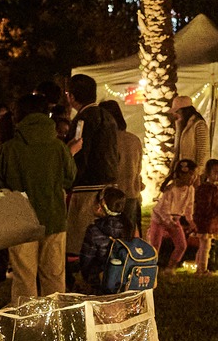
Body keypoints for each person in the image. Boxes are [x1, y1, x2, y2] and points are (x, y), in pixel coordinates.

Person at [0, 82, 77, 304]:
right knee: (54, 276)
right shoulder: (58, 146)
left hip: (20, 218)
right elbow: (70, 178)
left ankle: (28, 325)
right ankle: (55, 324)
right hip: (54, 217)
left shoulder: (8, 149)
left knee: (23, 277)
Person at [75, 187, 130, 291]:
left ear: (101, 206)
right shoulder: (128, 226)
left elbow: (86, 260)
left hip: (101, 280)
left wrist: (87, 279)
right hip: (125, 278)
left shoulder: (93, 230)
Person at [148, 159, 198, 272]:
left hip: (175, 219)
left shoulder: (190, 190)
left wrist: (191, 221)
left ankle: (170, 267)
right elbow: (164, 209)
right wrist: (170, 222)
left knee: (181, 245)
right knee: (155, 246)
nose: (193, 178)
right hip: (160, 219)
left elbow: (189, 207)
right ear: (180, 174)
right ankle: (150, 268)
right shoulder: (171, 189)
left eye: (194, 175)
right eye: (190, 175)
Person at [106, 100, 144, 236]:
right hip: (131, 192)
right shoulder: (134, 139)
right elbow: (139, 167)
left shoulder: (109, 140)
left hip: (112, 194)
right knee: (128, 232)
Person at [190, 158, 218, 276]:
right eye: (216, 172)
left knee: (204, 246)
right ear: (208, 173)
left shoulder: (215, 188)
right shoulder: (206, 189)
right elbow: (205, 207)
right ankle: (202, 269)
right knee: (205, 246)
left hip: (211, 221)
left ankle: (199, 267)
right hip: (206, 222)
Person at [172, 96, 211, 171]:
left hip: (193, 171)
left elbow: (202, 150)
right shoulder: (182, 125)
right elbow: (180, 149)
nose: (175, 114)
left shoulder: (199, 124)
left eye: (177, 111)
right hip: (183, 169)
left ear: (185, 111)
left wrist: (198, 171)